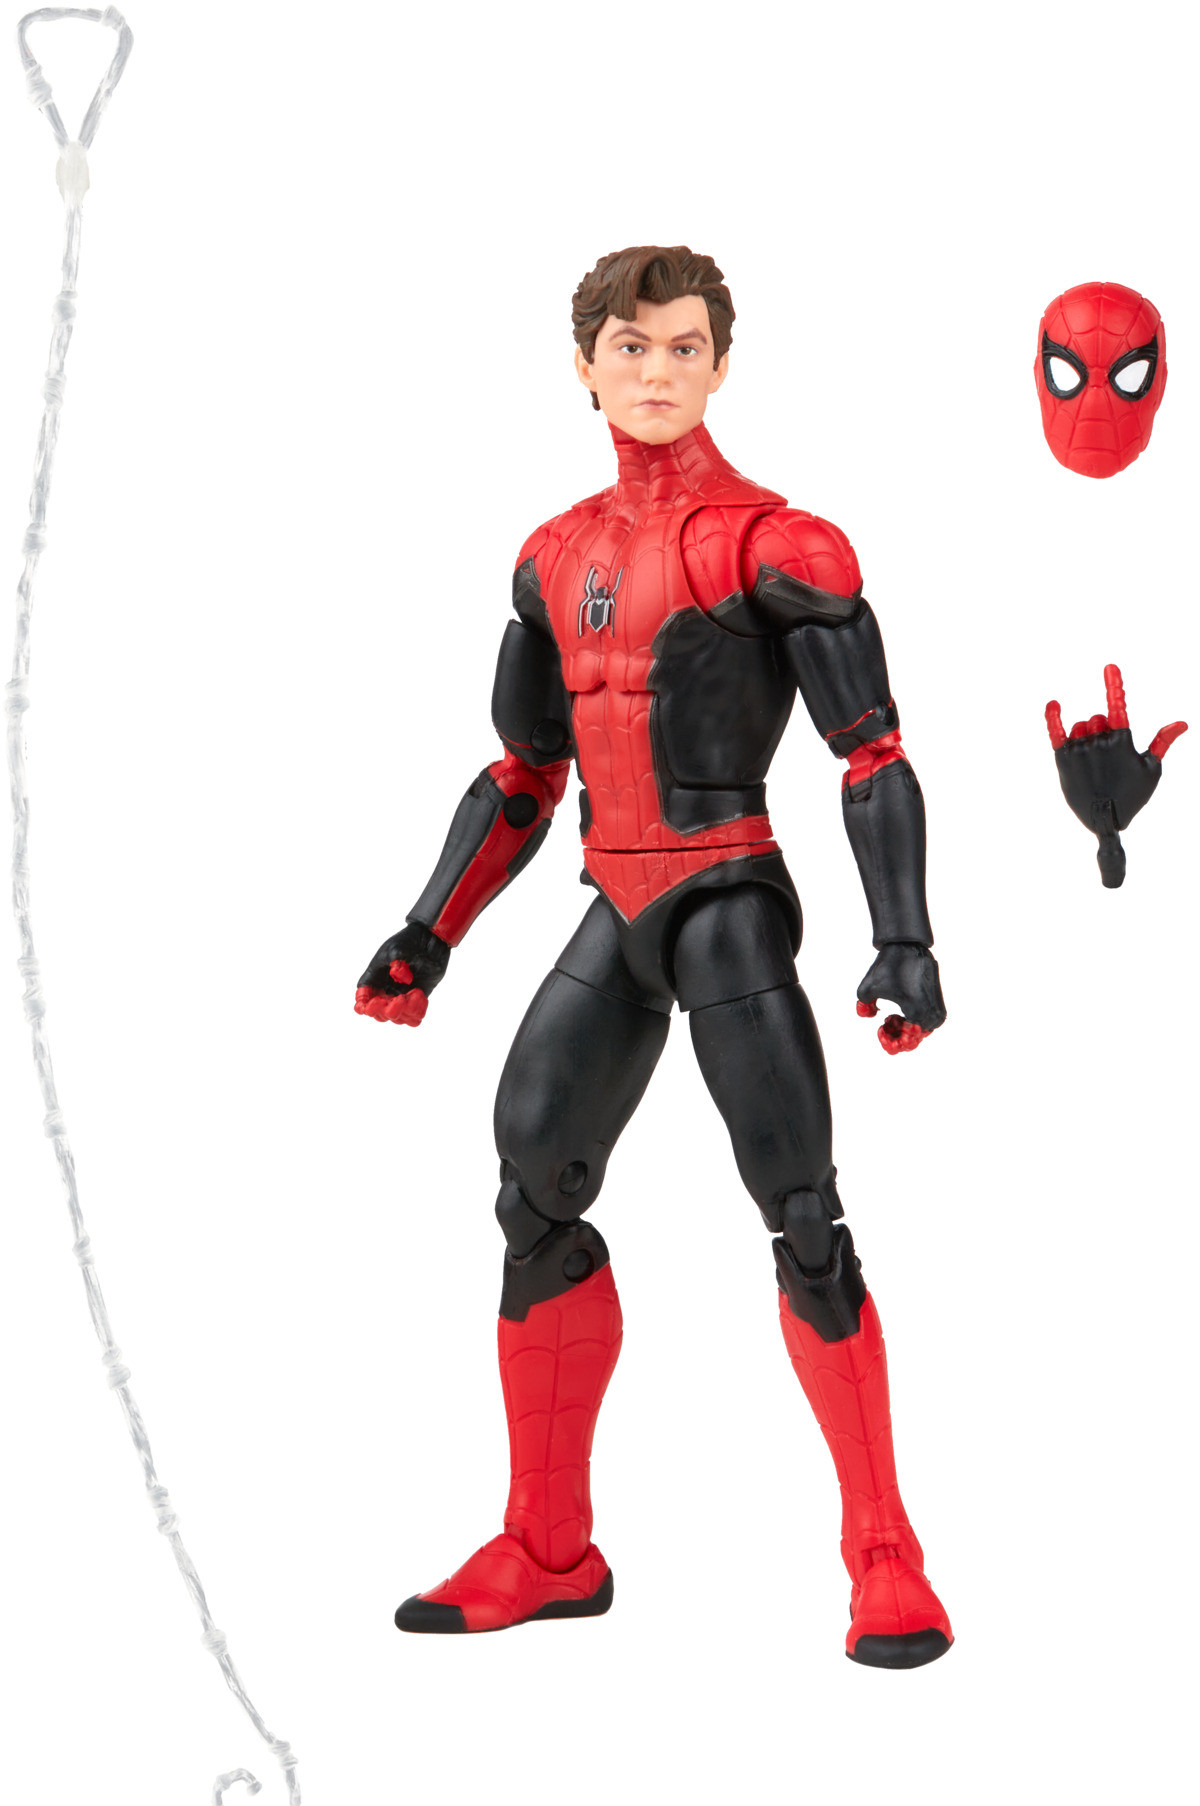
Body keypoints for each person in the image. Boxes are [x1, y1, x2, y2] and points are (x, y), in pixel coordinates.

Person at [356, 246, 952, 1667]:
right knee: (532, 1191)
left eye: (686, 347)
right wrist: (430, 930)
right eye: (633, 348)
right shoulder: (550, 556)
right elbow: (523, 773)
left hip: (725, 892)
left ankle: (886, 1556)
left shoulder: (779, 545)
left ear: (721, 365)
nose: (660, 371)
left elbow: (872, 753)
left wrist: (905, 939)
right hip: (614, 903)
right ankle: (551, 1547)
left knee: (804, 1217)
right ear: (587, 366)